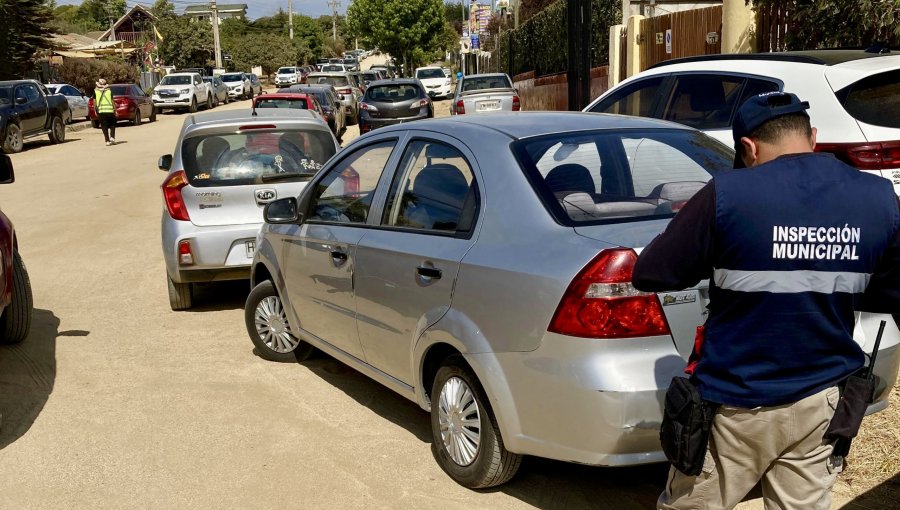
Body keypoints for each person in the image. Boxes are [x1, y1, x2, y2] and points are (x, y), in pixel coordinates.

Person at [632, 92, 900, 509]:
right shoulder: (878, 197)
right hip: (823, 401)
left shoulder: (727, 194)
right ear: (812, 136)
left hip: (735, 405)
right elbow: (888, 291)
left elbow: (651, 272)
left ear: (748, 148)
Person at [94, 79, 116, 146]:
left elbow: (94, 102)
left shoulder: (95, 91)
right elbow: (112, 101)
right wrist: (115, 109)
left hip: (101, 111)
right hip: (110, 110)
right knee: (112, 124)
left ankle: (107, 141)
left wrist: (95, 110)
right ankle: (112, 137)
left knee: (104, 126)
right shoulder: (109, 91)